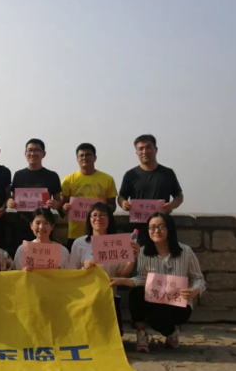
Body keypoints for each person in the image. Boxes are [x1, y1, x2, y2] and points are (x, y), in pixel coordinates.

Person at [110, 213, 206, 352]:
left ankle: (172, 332)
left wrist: (194, 291)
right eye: (152, 227)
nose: (156, 231)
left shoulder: (185, 251)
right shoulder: (143, 252)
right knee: (136, 293)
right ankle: (141, 334)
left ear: (169, 229)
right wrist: (123, 281)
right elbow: (143, 279)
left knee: (158, 321)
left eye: (161, 227)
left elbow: (198, 278)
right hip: (154, 299)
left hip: (178, 303)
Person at [69, 203, 139, 336]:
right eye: (94, 215)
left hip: (109, 295)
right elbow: (71, 273)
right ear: (89, 219)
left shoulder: (118, 243)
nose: (98, 219)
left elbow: (122, 274)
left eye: (103, 215)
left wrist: (131, 260)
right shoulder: (79, 243)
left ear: (110, 219)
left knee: (115, 336)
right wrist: (84, 269)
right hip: (85, 296)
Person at [118, 134, 184, 246]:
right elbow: (121, 196)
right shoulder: (130, 175)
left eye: (148, 147)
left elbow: (179, 195)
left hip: (161, 227)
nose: (144, 151)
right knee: (139, 255)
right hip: (138, 228)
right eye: (140, 149)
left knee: (164, 254)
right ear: (136, 152)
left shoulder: (167, 173)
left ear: (155, 149)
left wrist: (172, 205)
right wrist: (123, 203)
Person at [7, 139, 62, 256]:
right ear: (25, 153)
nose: (33, 153)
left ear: (43, 154)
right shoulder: (18, 175)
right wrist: (10, 202)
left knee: (43, 258)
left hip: (43, 226)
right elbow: (13, 197)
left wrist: (56, 204)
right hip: (22, 224)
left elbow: (58, 199)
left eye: (37, 150)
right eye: (30, 150)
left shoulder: (51, 176)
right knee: (23, 258)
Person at [62, 143, 118, 250]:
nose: (84, 157)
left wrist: (100, 209)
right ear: (77, 159)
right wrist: (65, 207)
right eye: (81, 155)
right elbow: (63, 206)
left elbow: (112, 206)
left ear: (95, 158)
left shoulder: (107, 179)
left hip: (100, 231)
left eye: (88, 155)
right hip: (75, 232)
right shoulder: (68, 180)